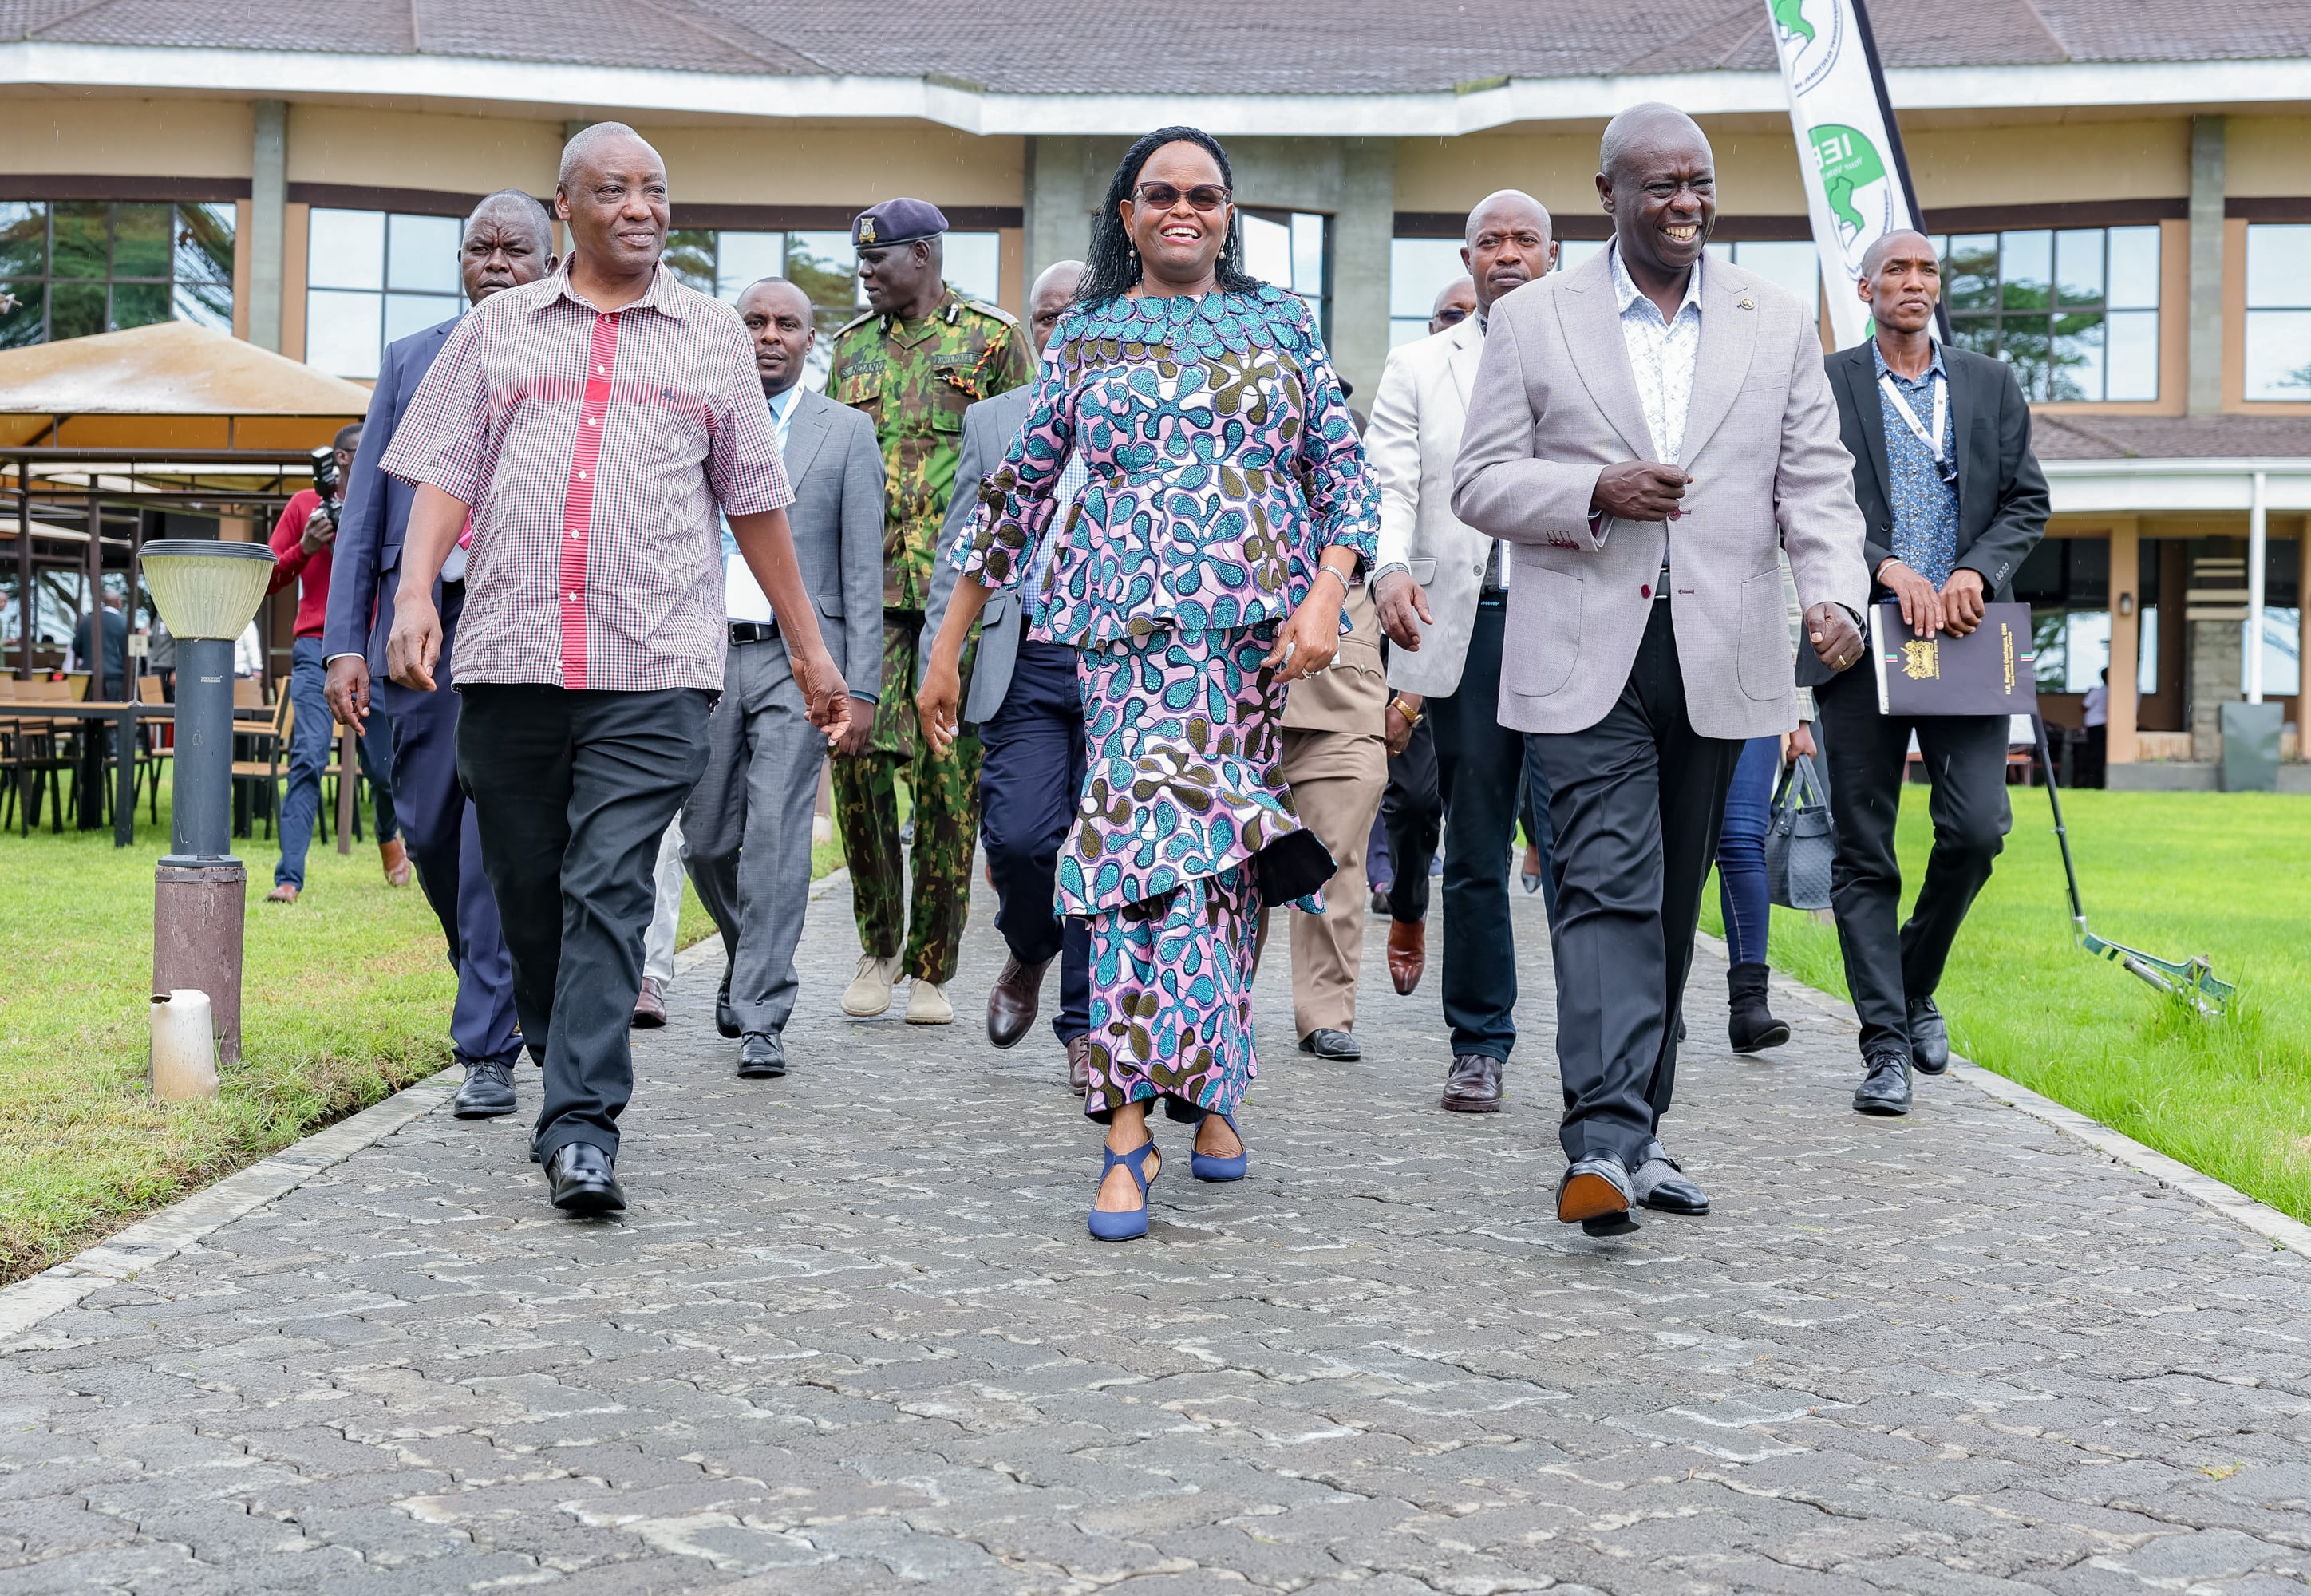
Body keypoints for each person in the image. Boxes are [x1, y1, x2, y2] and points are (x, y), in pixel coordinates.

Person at [379, 121, 849, 1216]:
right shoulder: (496, 332)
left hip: (656, 662)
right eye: (615, 190)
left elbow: (756, 503)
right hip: (511, 654)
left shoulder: (708, 338)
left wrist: (809, 644)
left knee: (609, 883)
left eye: (656, 190)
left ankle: (584, 1124)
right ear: (565, 209)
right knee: (530, 885)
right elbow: (444, 472)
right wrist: (413, 594)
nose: (641, 207)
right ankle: (561, 1045)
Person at [922, 126, 1376, 1242]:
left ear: (1230, 214)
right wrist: (949, 644)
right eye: (1161, 194)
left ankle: (1211, 1087)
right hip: (1119, 642)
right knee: (1124, 868)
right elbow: (1018, 495)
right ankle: (1126, 1127)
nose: (1185, 210)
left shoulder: (1281, 325)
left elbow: (1346, 477)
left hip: (1249, 647)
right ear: (1126, 215)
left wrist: (1325, 598)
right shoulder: (1086, 336)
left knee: (1221, 871)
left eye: (1207, 196)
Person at [1452, 104, 1867, 1236]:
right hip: (1584, 645)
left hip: (1721, 651)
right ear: (1609, 195)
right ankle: (1600, 1136)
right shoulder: (1534, 319)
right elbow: (1480, 481)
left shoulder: (1773, 319)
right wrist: (1592, 491)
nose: (1686, 204)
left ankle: (1639, 1132)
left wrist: (1830, 593)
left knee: (1675, 897)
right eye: (1661, 185)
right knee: (1603, 887)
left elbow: (1815, 480)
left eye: (1701, 183)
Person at [326, 189, 555, 1120]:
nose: (495, 264)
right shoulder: (409, 359)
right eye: (479, 249)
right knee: (425, 829)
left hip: (520, 622)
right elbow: (365, 515)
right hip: (416, 625)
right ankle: (501, 984)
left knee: (489, 832)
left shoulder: (567, 352)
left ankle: (488, 1043)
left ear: (548, 262)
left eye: (515, 251)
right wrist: (346, 638)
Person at [1815, 227, 2048, 1115]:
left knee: (1978, 827)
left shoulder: (1987, 381)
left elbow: (2027, 499)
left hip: (1964, 633)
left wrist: (1968, 573)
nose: (1913, 283)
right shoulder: (1829, 383)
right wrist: (1887, 567)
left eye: (1926, 271)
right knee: (1863, 847)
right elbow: (1803, 494)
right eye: (1896, 271)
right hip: (1859, 637)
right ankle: (1883, 1045)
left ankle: (1913, 977)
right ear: (1866, 285)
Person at [1368, 194, 1559, 1114]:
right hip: (1470, 622)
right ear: (1469, 257)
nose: (1509, 254)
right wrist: (1389, 568)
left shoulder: (1594, 354)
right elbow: (1390, 482)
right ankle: (1479, 1042)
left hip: (1578, 617)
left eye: (1526, 240)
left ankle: (1622, 1040)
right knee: (1477, 843)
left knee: (1591, 847)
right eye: (1492, 241)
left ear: (1554, 255)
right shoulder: (1417, 366)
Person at [826, 200, 1036, 1026]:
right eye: (859, 259)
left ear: (925, 254)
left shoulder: (992, 338)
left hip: (960, 598)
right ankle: (876, 943)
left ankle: (931, 968)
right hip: (868, 594)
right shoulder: (848, 352)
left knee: (950, 784)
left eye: (880, 259)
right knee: (859, 768)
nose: (867, 272)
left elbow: (1027, 464)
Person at [683, 276, 886, 1078]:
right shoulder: (697, 417)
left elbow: (863, 571)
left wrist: (859, 686)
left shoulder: (845, 434)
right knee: (705, 838)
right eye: (755, 321)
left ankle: (764, 1008)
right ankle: (745, 954)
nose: (770, 335)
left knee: (773, 832)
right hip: (700, 655)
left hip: (802, 658)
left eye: (787, 324)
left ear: (812, 339)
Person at [920, 259, 1093, 1087]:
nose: (1062, 330)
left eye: (1078, 313)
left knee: (1100, 850)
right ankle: (1029, 946)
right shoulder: (994, 421)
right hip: (1020, 656)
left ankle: (1082, 1024)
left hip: (1119, 663)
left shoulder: (1150, 415)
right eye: (1048, 317)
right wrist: (939, 659)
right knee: (1022, 839)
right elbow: (963, 545)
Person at [266, 421, 410, 903]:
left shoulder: (383, 504)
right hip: (314, 646)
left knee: (385, 766)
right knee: (307, 756)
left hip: (372, 645)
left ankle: (390, 839)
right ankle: (289, 879)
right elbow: (265, 577)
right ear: (342, 458)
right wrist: (304, 549)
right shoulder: (305, 506)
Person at [1269, 575, 1390, 1061]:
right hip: (1229, 675)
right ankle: (1218, 1000)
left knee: (1333, 858)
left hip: (1348, 675)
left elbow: (1418, 554)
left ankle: (1326, 1012)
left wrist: (1411, 695)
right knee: (1226, 860)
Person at [1713, 561, 1816, 1054]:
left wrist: (1799, 713)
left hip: (1750, 676)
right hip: (1660, 668)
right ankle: (1659, 996)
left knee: (1740, 838)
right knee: (1667, 839)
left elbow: (1788, 590)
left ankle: (1749, 1005)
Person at [70, 587, 127, 701]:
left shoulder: (87, 621)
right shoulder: (124, 624)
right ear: (119, 602)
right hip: (115, 677)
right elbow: (128, 651)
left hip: (89, 676)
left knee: (91, 715)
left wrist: (89, 656)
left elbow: (76, 646)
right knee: (113, 716)